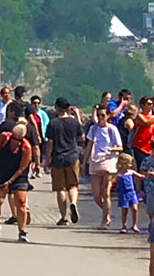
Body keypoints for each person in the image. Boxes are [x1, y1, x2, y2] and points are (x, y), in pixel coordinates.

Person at [0, 122, 33, 242]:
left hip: (18, 175)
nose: (15, 142)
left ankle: (22, 231)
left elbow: (22, 168)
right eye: (14, 139)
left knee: (21, 202)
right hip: (1, 171)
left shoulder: (26, 148)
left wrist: (10, 182)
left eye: (18, 140)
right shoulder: (4, 137)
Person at [45, 97, 84, 226]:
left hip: (58, 157)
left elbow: (49, 143)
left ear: (57, 108)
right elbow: (82, 136)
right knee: (73, 185)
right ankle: (73, 202)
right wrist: (77, 116)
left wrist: (46, 160)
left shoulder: (53, 123)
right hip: (72, 156)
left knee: (60, 189)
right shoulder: (74, 123)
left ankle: (63, 217)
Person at [83, 107, 123, 229]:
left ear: (108, 116)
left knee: (106, 192)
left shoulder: (112, 129)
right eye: (99, 115)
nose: (100, 118)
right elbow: (89, 146)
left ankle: (105, 219)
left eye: (103, 115)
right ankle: (107, 212)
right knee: (96, 194)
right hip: (96, 160)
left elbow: (120, 147)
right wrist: (84, 162)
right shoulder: (93, 129)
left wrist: (111, 149)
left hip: (109, 160)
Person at [115, 152, 143, 233]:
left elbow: (140, 176)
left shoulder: (131, 172)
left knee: (135, 208)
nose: (130, 165)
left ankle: (134, 225)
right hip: (123, 194)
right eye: (128, 163)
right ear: (122, 164)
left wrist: (145, 176)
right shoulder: (119, 174)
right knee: (124, 210)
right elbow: (114, 182)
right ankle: (124, 226)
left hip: (132, 192)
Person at [132, 97, 154, 169]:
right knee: (140, 168)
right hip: (139, 147)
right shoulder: (139, 116)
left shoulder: (152, 117)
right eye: (149, 104)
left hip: (150, 148)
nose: (151, 106)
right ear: (143, 105)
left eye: (152, 104)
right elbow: (146, 123)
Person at [140, 139, 154, 228]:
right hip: (150, 187)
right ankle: (151, 220)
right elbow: (142, 170)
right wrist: (148, 174)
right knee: (150, 207)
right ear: (153, 149)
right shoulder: (147, 160)